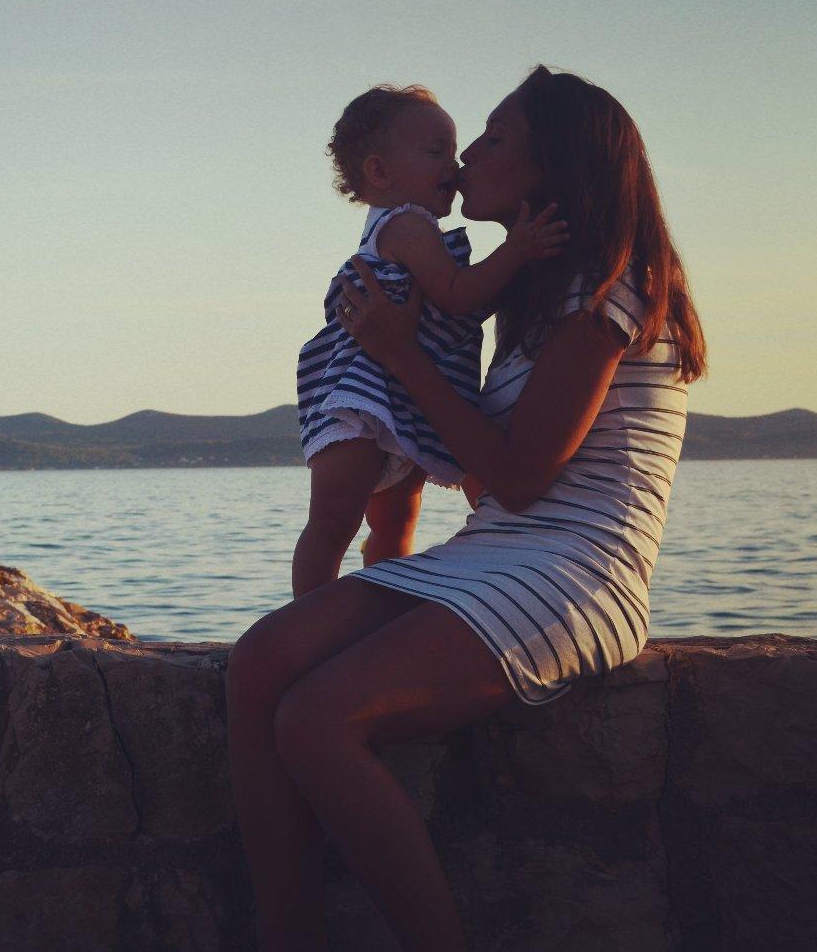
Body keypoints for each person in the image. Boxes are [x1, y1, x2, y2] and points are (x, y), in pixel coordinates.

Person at [229, 65, 707, 950]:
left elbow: (519, 478)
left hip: (577, 572)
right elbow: (490, 486)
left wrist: (400, 355)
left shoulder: (611, 286)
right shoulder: (530, 298)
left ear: (551, 165)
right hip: (493, 552)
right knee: (258, 662)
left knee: (316, 718)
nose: (470, 157)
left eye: (494, 137)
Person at [294, 84, 566, 598]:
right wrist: (518, 249)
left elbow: (459, 301)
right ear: (381, 172)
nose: (455, 164)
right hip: (361, 402)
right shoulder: (407, 226)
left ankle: (375, 604)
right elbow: (459, 296)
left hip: (398, 404)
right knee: (334, 523)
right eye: (437, 151)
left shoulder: (411, 232)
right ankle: (305, 616)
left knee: (388, 523)